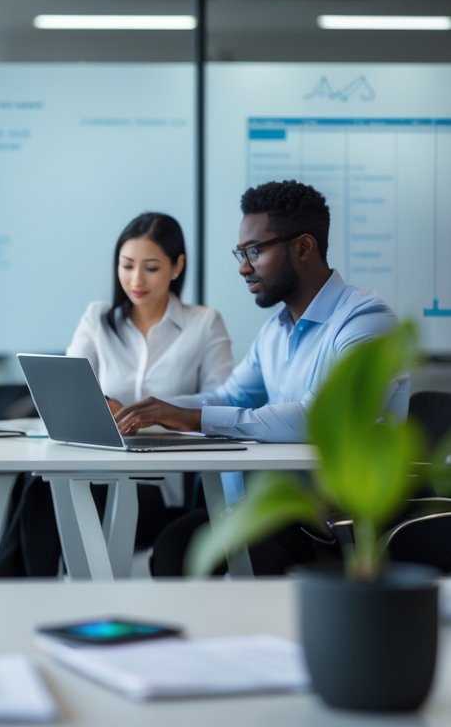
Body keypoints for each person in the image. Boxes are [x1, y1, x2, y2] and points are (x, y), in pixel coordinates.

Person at [111, 180, 406, 576]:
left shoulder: (365, 321)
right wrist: (148, 411)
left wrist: (193, 419)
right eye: (241, 252)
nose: (243, 266)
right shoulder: (276, 330)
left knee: (195, 551)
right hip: (271, 512)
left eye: (255, 251)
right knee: (174, 544)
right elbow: (231, 396)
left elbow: (321, 418)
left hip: (333, 525)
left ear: (303, 248)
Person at [0, 212, 234, 577]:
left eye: (150, 267)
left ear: (177, 266)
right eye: (127, 265)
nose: (136, 280)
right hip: (95, 466)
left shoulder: (203, 323)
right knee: (39, 480)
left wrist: (155, 415)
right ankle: (17, 584)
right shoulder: (98, 319)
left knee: (44, 489)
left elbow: (223, 404)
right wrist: (103, 408)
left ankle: (6, 582)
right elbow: (66, 391)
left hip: (159, 488)